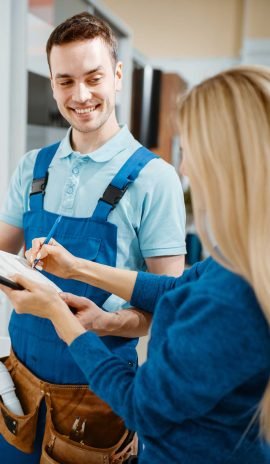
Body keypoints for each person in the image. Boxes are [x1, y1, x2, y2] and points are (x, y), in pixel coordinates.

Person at [2, 65, 270, 464]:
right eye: (64, 80)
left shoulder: (228, 298)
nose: (186, 167)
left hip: (112, 404)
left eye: (191, 149)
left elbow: (142, 405)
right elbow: (174, 290)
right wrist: (77, 268)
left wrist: (58, 312)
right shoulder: (237, 263)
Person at [0, 12, 186, 464]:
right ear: (51, 83)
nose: (79, 96)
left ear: (118, 76)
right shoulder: (32, 167)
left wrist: (103, 322)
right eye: (64, 81)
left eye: (93, 77)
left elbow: (170, 309)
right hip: (20, 381)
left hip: (99, 392)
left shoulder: (155, 180)